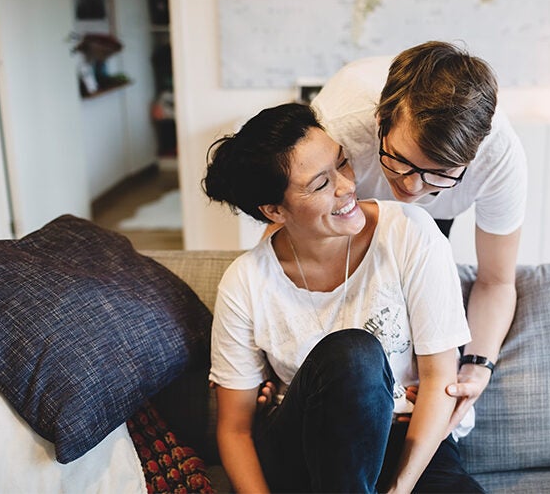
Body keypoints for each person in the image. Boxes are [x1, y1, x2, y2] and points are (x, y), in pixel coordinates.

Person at [203, 103, 485, 493]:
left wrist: (399, 489)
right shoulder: (245, 283)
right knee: (354, 354)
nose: (347, 186)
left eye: (343, 163)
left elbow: (440, 378)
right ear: (274, 210)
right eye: (320, 184)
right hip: (306, 450)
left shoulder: (409, 232)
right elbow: (234, 430)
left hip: (406, 440)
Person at [310, 40, 527, 428]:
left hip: (436, 222)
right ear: (381, 120)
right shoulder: (339, 124)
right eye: (402, 160)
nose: (411, 187)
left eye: (440, 171)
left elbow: (496, 280)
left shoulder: (500, 158)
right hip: (346, 216)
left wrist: (476, 367)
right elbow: (295, 237)